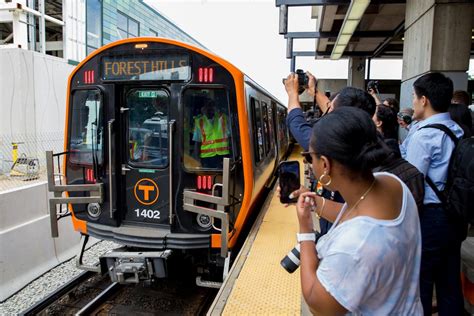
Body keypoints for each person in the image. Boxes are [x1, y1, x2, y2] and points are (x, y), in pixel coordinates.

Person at [296, 106, 422, 314]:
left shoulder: (354, 248)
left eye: (310, 157)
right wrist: (316, 203)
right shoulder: (391, 183)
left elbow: (316, 301)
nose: (310, 163)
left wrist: (305, 231)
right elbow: (354, 215)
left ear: (325, 164)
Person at [402, 72, 466, 315]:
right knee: (449, 282)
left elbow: (413, 183)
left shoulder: (425, 136)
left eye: (414, 96)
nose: (414, 101)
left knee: (422, 283)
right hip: (453, 213)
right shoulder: (456, 129)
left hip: (430, 217)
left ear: (424, 100)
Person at [192, 99, 231, 168]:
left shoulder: (223, 118)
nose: (210, 108)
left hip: (223, 156)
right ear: (203, 109)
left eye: (212, 106)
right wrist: (197, 160)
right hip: (207, 158)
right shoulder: (199, 121)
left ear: (215, 107)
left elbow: (231, 138)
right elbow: (197, 142)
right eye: (207, 106)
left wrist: (233, 156)